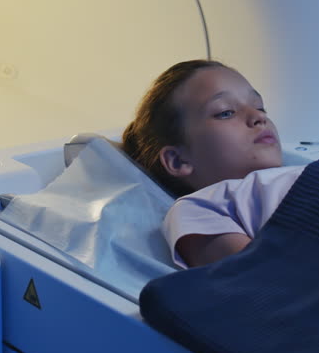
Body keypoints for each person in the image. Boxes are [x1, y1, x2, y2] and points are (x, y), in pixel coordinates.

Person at [122, 59, 303, 269]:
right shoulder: (203, 207)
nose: (258, 117)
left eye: (260, 107)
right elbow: (262, 278)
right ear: (178, 160)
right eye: (226, 112)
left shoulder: (303, 171)